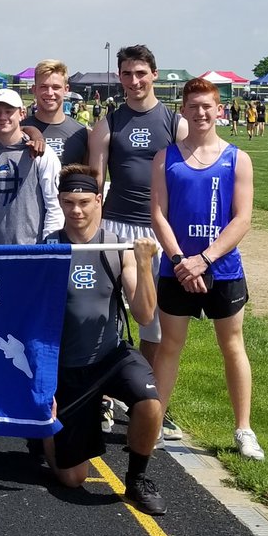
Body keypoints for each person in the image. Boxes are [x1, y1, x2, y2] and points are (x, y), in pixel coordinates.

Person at [37, 166, 167, 515]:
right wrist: (41, 386)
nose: (76, 211)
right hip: (69, 369)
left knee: (150, 401)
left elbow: (143, 315)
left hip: (111, 356)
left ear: (99, 200)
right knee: (73, 478)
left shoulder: (117, 246)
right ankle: (43, 429)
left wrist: (143, 265)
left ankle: (137, 479)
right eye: (68, 203)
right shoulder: (48, 247)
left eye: (83, 202)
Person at [150, 78, 263, 461]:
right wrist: (182, 260)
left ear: (219, 110)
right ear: (182, 110)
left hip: (223, 270)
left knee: (232, 347)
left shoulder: (238, 159)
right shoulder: (166, 158)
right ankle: (155, 424)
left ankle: (244, 429)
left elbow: (242, 219)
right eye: (193, 105)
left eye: (207, 106)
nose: (200, 112)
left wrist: (206, 259)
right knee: (169, 347)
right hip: (176, 269)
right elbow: (158, 215)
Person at [87, 44, 188, 381]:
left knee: (155, 323)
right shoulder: (109, 123)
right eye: (127, 74)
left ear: (154, 74)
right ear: (120, 77)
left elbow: (187, 184)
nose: (134, 80)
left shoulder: (176, 124)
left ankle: (150, 394)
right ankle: (104, 391)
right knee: (105, 312)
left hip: (158, 232)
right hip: (116, 228)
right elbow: (95, 184)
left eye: (141, 73)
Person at [0, 88, 63, 244]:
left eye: (9, 111)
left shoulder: (41, 153)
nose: (3, 117)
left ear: (22, 113)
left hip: (31, 252)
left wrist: (48, 247)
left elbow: (54, 205)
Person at [22, 60, 88, 165]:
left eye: (56, 87)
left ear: (66, 89)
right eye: (43, 87)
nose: (49, 93)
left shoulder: (81, 132)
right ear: (34, 89)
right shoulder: (19, 130)